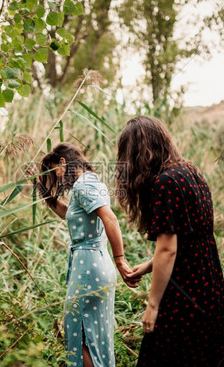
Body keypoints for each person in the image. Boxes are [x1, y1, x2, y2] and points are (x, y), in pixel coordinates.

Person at [115, 116, 224, 366]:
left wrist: (152, 306)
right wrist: (147, 266)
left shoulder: (164, 183)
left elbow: (168, 250)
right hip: (211, 288)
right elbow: (190, 240)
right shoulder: (190, 172)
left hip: (185, 296)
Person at [34, 142, 138, 367]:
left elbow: (110, 218)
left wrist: (120, 259)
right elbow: (67, 214)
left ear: (63, 162)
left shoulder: (83, 185)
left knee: (80, 334)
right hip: (93, 264)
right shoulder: (90, 182)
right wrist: (42, 189)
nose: (58, 179)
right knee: (92, 333)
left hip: (89, 268)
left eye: (55, 172)